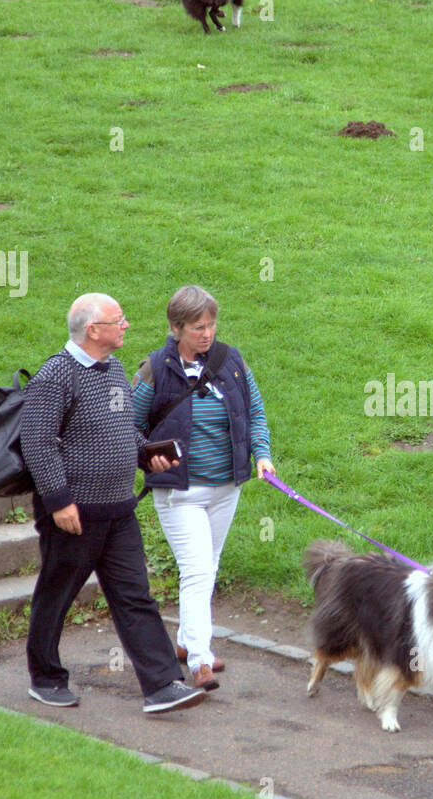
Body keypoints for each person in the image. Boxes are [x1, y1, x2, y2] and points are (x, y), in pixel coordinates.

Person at [21, 293, 207, 714]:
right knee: (57, 594)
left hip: (119, 510)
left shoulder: (112, 370)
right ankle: (45, 678)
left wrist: (146, 453)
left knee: (135, 596)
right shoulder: (56, 375)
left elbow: (125, 430)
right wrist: (59, 500)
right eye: (118, 320)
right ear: (93, 330)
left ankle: (162, 685)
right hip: (75, 514)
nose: (126, 326)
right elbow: (37, 441)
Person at [131, 286, 274, 692]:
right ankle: (199, 659)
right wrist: (147, 455)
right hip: (180, 492)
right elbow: (127, 425)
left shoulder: (231, 361)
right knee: (196, 570)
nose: (207, 334)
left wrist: (261, 454)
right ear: (176, 328)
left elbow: (255, 411)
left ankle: (184, 642)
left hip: (226, 487)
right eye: (197, 328)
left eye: (211, 325)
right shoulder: (155, 369)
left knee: (207, 566)